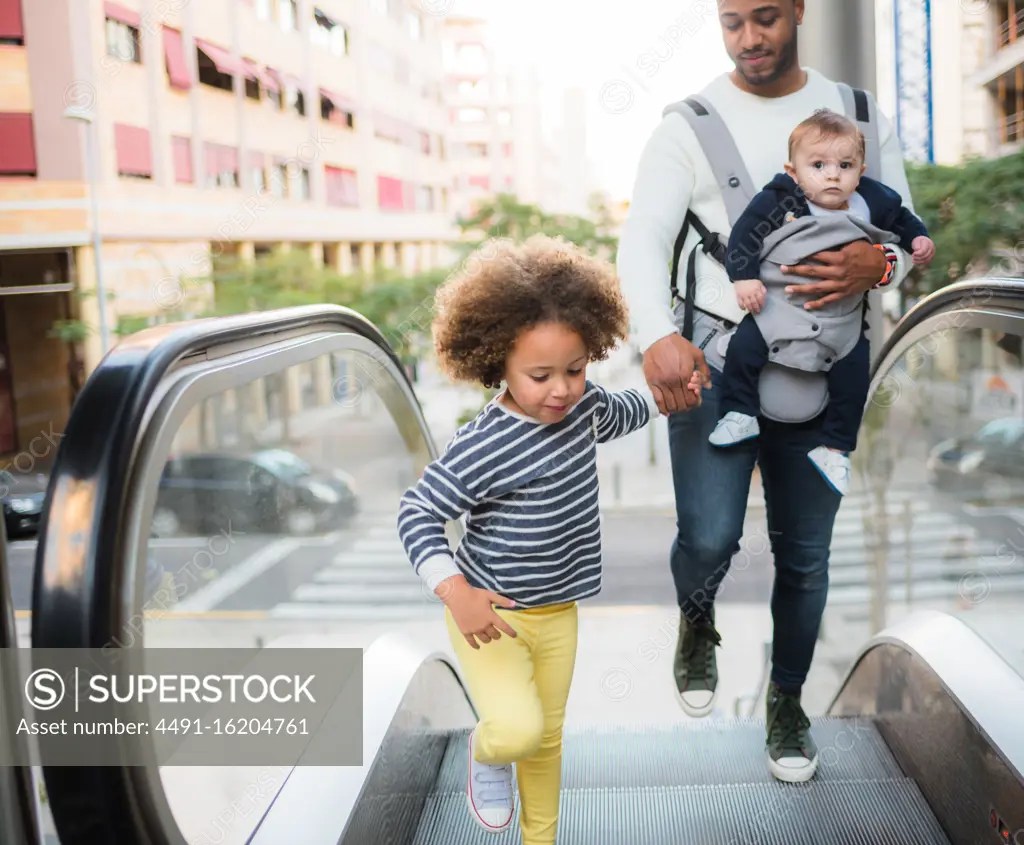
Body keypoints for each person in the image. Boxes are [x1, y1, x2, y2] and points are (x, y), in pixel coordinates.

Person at [616, 0, 918, 783]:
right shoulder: (690, 122)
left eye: (765, 18)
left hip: (828, 361)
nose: (749, 38)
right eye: (731, 22)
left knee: (806, 556)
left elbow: (906, 233)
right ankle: (696, 620)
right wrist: (655, 335)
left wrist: (881, 267)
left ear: (798, 12)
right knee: (710, 537)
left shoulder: (856, 113)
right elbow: (642, 237)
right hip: (718, 360)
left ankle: (787, 705)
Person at [396, 235, 698, 844]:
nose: (561, 389)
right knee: (516, 733)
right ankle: (485, 755)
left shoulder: (583, 408)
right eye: (540, 375)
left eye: (576, 369)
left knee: (548, 738)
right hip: (490, 617)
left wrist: (670, 397)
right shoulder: (484, 444)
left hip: (560, 612)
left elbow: (624, 413)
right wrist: (454, 591)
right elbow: (418, 512)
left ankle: (542, 838)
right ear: (497, 361)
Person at [709, 108, 935, 495]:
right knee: (745, 349)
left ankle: (835, 447)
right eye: (818, 165)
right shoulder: (779, 200)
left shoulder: (873, 202)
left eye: (844, 165)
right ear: (793, 172)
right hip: (776, 307)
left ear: (860, 171)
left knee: (853, 375)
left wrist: (918, 239)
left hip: (841, 319)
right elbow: (745, 236)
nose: (832, 174)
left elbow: (903, 220)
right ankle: (739, 411)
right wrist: (744, 277)